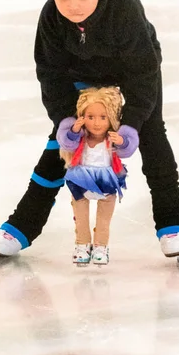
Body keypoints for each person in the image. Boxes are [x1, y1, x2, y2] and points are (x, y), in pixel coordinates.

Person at [0, 0, 179, 259]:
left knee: (152, 135)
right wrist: (67, 120)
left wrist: (132, 123)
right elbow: (51, 75)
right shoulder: (52, 18)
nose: (73, 5)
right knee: (62, 144)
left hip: (132, 74)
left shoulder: (124, 8)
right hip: (80, 76)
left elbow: (143, 74)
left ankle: (173, 223)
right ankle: (23, 224)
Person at [57, 86, 138, 266]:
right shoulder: (81, 137)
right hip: (81, 179)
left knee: (104, 218)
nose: (96, 123)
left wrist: (122, 141)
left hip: (106, 180)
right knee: (80, 215)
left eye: (103, 117)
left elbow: (127, 150)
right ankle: (82, 244)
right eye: (90, 117)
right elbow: (67, 144)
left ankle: (101, 246)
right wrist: (74, 131)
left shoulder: (112, 138)